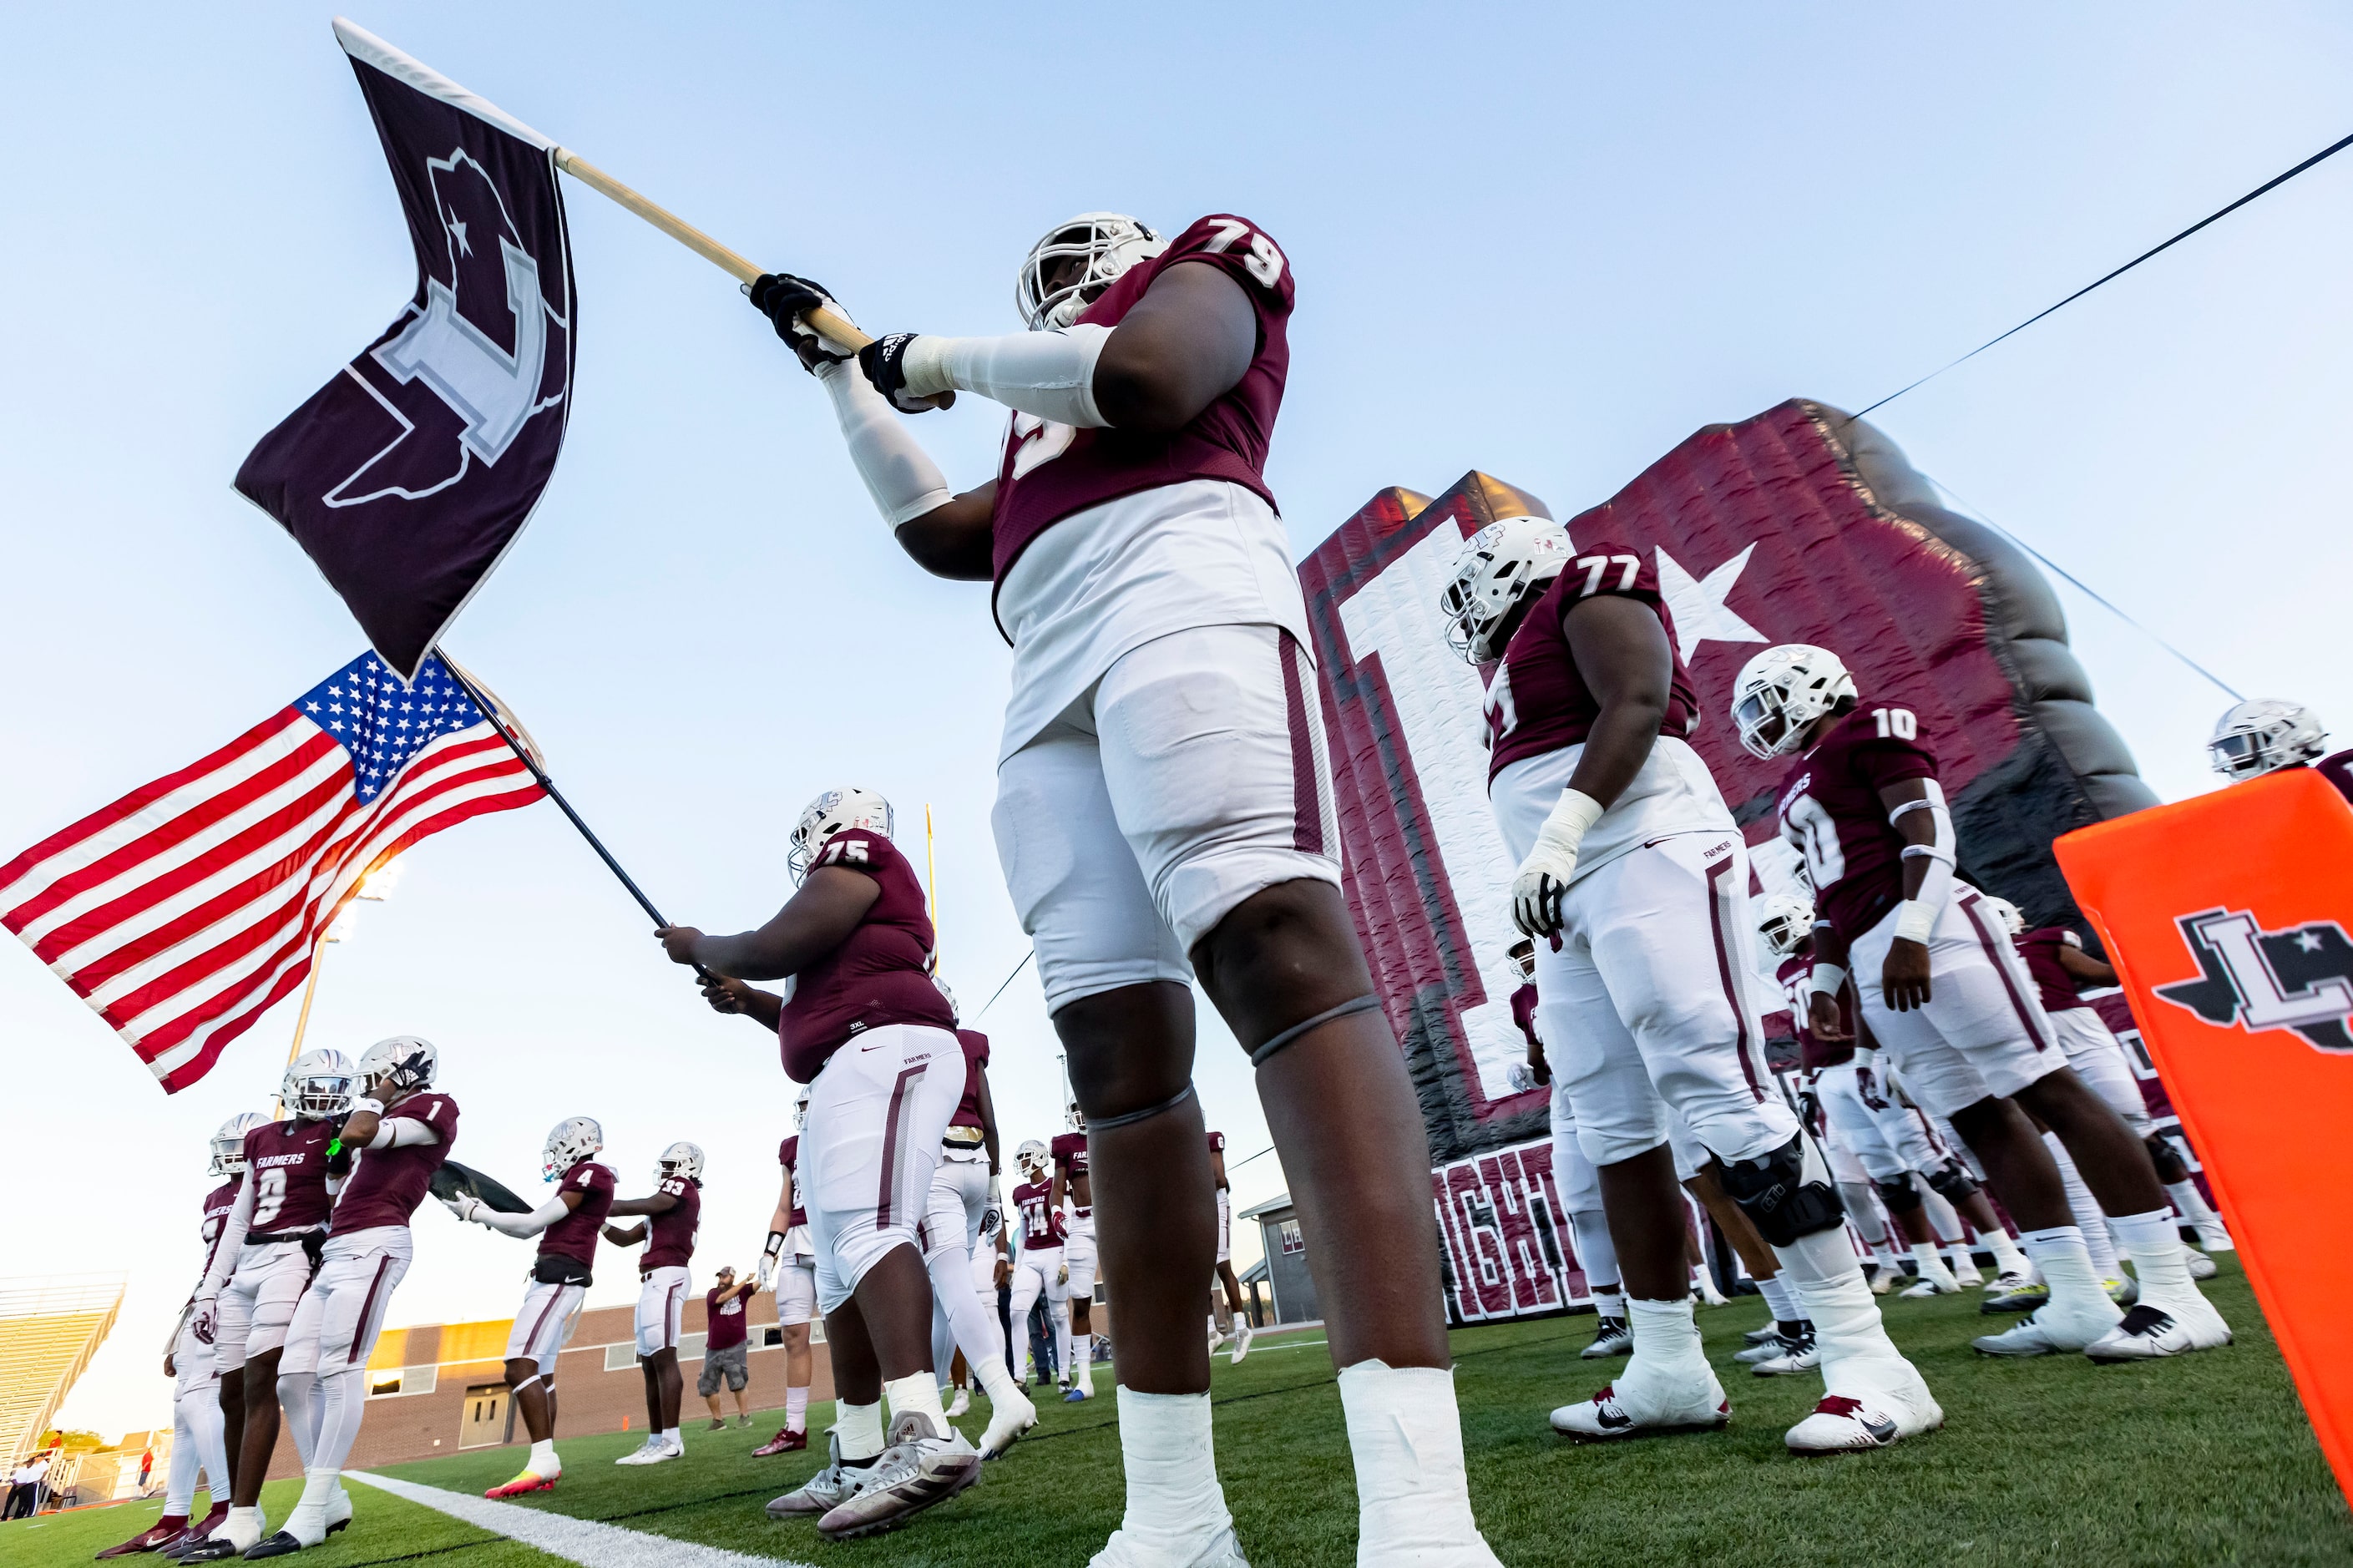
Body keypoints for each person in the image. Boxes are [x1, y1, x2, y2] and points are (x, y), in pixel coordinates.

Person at [748, 208, 1498, 1565]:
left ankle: (1417, 1516)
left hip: (1180, 581)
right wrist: (844, 379)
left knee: (1274, 956)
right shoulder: (1024, 417)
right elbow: (935, 530)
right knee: (1113, 1058)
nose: (1064, 285)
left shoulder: (1204, 268)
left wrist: (934, 354)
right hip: (1042, 664)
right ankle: (1170, 1508)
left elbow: (1144, 376)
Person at [1440, 518, 1935, 1454]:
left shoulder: (1584, 583)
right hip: (1571, 890)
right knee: (1611, 1128)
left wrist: (1559, 833)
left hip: (1642, 847)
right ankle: (1667, 1365)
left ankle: (1868, 1360)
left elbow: (1636, 697)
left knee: (1718, 1084)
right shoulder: (1505, 673)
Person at [1733, 643, 2230, 1362]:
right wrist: (1828, 983)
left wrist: (1912, 930)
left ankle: (2173, 1290)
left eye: (1765, 702)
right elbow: (1827, 898)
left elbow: (1927, 832)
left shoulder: (1872, 727)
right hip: (1871, 945)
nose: (1760, 722)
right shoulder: (1795, 785)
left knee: (2046, 1087)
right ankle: (2077, 1294)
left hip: (1933, 928)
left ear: (1810, 687)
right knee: (1975, 1118)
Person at [667, 787, 986, 1540]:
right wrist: (748, 1002)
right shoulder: (852, 931)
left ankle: (925, 1431)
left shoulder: (860, 854)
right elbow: (812, 1010)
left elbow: (776, 943)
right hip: (849, 1059)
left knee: (874, 1232)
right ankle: (862, 1449)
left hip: (887, 1048)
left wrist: (704, 944)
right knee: (840, 1269)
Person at [1988, 898, 2234, 1265]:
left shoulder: (2041, 943)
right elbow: (2108, 974)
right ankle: (2131, 1236)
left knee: (2136, 1128)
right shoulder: (1987, 962)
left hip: (2073, 1038)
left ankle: (2204, 1223)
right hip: (2036, 1044)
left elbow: (2107, 975)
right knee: (2083, 1142)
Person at [182, 1050, 357, 1560]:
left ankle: (240, 1519)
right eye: (315, 1084)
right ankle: (249, 1510)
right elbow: (238, 1219)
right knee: (229, 1393)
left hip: (294, 1255)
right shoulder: (262, 1139)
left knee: (264, 1381)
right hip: (247, 1263)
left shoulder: (340, 1134)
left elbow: (340, 1195)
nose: (324, 1095)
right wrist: (211, 1288)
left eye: (333, 1086)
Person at [98, 1115, 261, 1558]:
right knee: (182, 1413)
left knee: (202, 1400)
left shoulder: (267, 1184)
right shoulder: (215, 1197)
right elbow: (211, 1259)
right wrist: (184, 1324)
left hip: (238, 1297)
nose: (227, 1154)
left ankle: (229, 1505)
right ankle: (173, 1517)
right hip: (206, 1298)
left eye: (235, 1145)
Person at [445, 1115, 615, 1498]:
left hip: (560, 1279)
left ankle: (542, 1460)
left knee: (519, 1365)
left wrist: (477, 1213)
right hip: (556, 1277)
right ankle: (546, 1456)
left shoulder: (590, 1173)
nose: (554, 1158)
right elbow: (523, 1225)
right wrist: (484, 1213)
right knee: (544, 1372)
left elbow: (530, 1225)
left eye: (558, 1149)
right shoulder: (583, 1179)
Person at [923, 996, 1035, 1428]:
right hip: (978, 1168)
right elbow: (990, 1122)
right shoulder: (970, 1044)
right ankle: (928, 1404)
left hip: (938, 1168)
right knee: (940, 1298)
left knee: (951, 1287)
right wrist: (992, 1192)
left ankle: (1004, 1394)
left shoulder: (910, 1040)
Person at [601, 1141, 707, 1464]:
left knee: (663, 1356)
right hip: (651, 1281)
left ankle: (672, 1441)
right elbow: (622, 1239)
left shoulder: (681, 1188)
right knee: (649, 1362)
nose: (665, 1172)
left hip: (667, 1276)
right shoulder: (662, 1209)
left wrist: (600, 1203)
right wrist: (599, 1222)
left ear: (687, 1166)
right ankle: (656, 1439)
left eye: (670, 1166)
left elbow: (649, 1202)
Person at [754, 1089, 819, 1457]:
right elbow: (784, 1203)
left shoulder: (842, 1134)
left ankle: (854, 1412)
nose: (807, 1114)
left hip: (830, 1239)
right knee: (794, 1333)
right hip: (795, 1241)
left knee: (846, 1329)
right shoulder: (791, 1147)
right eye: (803, 1107)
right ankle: (795, 1426)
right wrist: (769, 1251)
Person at [1006, 1141, 1072, 1390]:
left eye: (1026, 1157)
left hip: (1054, 1251)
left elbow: (1067, 1223)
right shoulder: (1020, 1193)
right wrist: (1019, 1266)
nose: (1022, 1163)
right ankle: (1020, 1377)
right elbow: (1022, 1234)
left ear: (1039, 1158)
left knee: (1059, 1316)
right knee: (1017, 1311)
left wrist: (1066, 1260)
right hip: (1032, 1256)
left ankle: (1064, 1375)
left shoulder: (1055, 1186)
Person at [1050, 1102, 1101, 1399]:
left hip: (1111, 1218)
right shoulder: (1066, 1145)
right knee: (1080, 1302)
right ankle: (1084, 1380)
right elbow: (1058, 1186)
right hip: (1080, 1223)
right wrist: (1056, 1210)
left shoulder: (1109, 1131)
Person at [2208, 698, 2353, 802]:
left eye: (2238, 746)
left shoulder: (2333, 774)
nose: (2233, 757)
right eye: (2228, 751)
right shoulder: (2248, 805)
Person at [1207, 1130, 1253, 1363]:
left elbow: (1219, 1179)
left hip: (1215, 1203)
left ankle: (1242, 1328)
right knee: (1199, 1271)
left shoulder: (1210, 1138)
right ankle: (1212, 1333)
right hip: (1197, 1206)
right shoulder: (1179, 1145)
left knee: (1222, 1266)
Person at [700, 1269, 760, 1429]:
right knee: (707, 1384)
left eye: (724, 1277)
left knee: (738, 1381)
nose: (721, 1280)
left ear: (732, 1278)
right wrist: (746, 1279)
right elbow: (723, 1298)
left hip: (736, 1346)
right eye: (719, 1277)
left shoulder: (744, 1292)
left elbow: (760, 1282)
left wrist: (770, 1266)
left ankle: (744, 1417)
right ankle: (717, 1421)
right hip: (714, 1348)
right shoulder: (713, 1294)